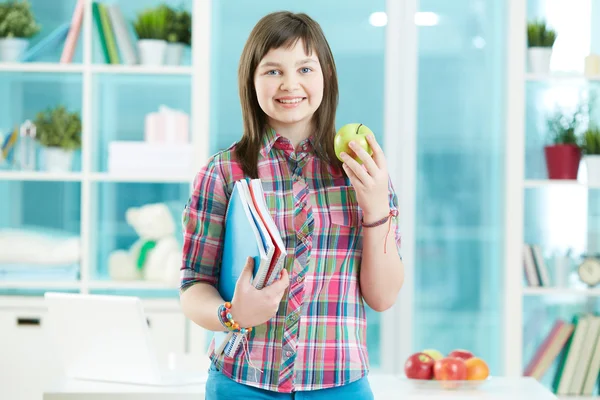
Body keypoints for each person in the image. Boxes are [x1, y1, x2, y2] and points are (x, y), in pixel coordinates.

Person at [180, 10, 404, 400]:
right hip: (241, 383)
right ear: (251, 81)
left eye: (304, 68)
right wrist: (232, 315)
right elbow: (193, 287)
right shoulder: (223, 173)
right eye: (272, 71)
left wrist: (375, 208)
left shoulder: (363, 170)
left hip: (341, 385)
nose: (289, 84)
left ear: (326, 76)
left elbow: (382, 298)